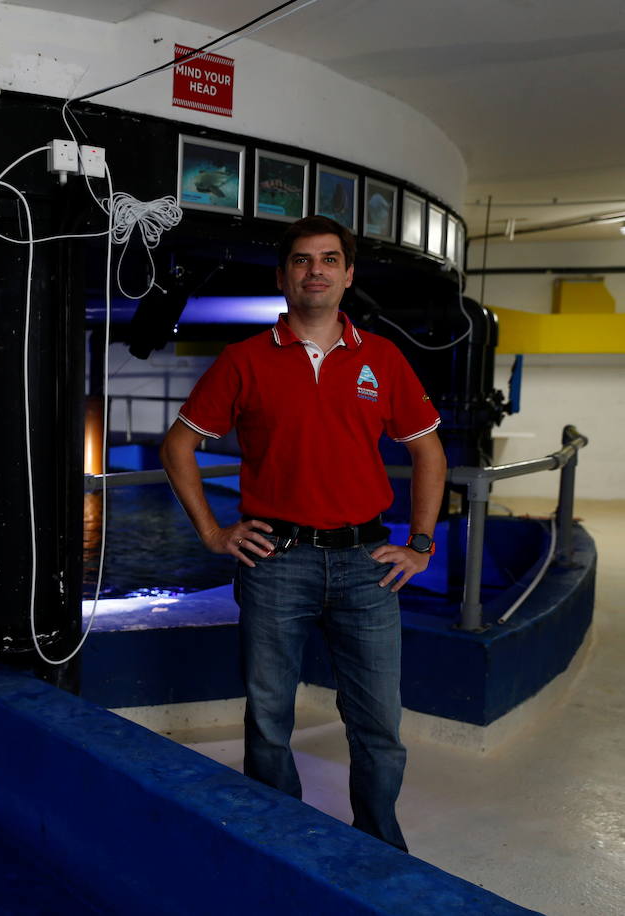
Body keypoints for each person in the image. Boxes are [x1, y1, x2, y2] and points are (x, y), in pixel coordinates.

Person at [159, 215, 446, 851]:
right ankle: (279, 843)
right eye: (300, 260)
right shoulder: (244, 361)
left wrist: (421, 542)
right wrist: (213, 532)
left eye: (328, 259)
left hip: (367, 562)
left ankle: (377, 846)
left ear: (348, 274)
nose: (315, 270)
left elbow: (430, 452)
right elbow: (178, 444)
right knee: (268, 719)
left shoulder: (384, 359)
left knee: (378, 725)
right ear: (284, 276)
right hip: (276, 561)